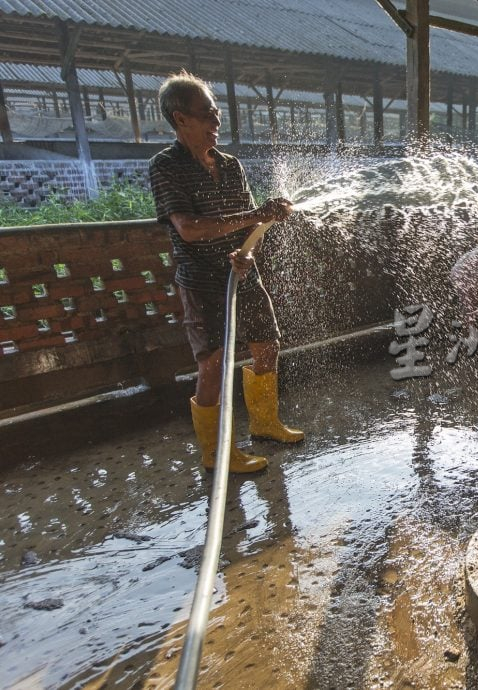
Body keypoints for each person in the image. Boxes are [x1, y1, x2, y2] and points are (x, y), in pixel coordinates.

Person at [149, 71, 303, 474]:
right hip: (202, 282)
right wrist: (254, 216)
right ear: (180, 119)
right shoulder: (166, 167)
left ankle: (266, 425)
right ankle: (217, 453)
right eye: (207, 115)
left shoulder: (231, 166)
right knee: (213, 364)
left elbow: (254, 227)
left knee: (267, 346)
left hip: (242, 273)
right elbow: (188, 228)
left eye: (216, 114)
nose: (216, 122)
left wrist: (249, 249)